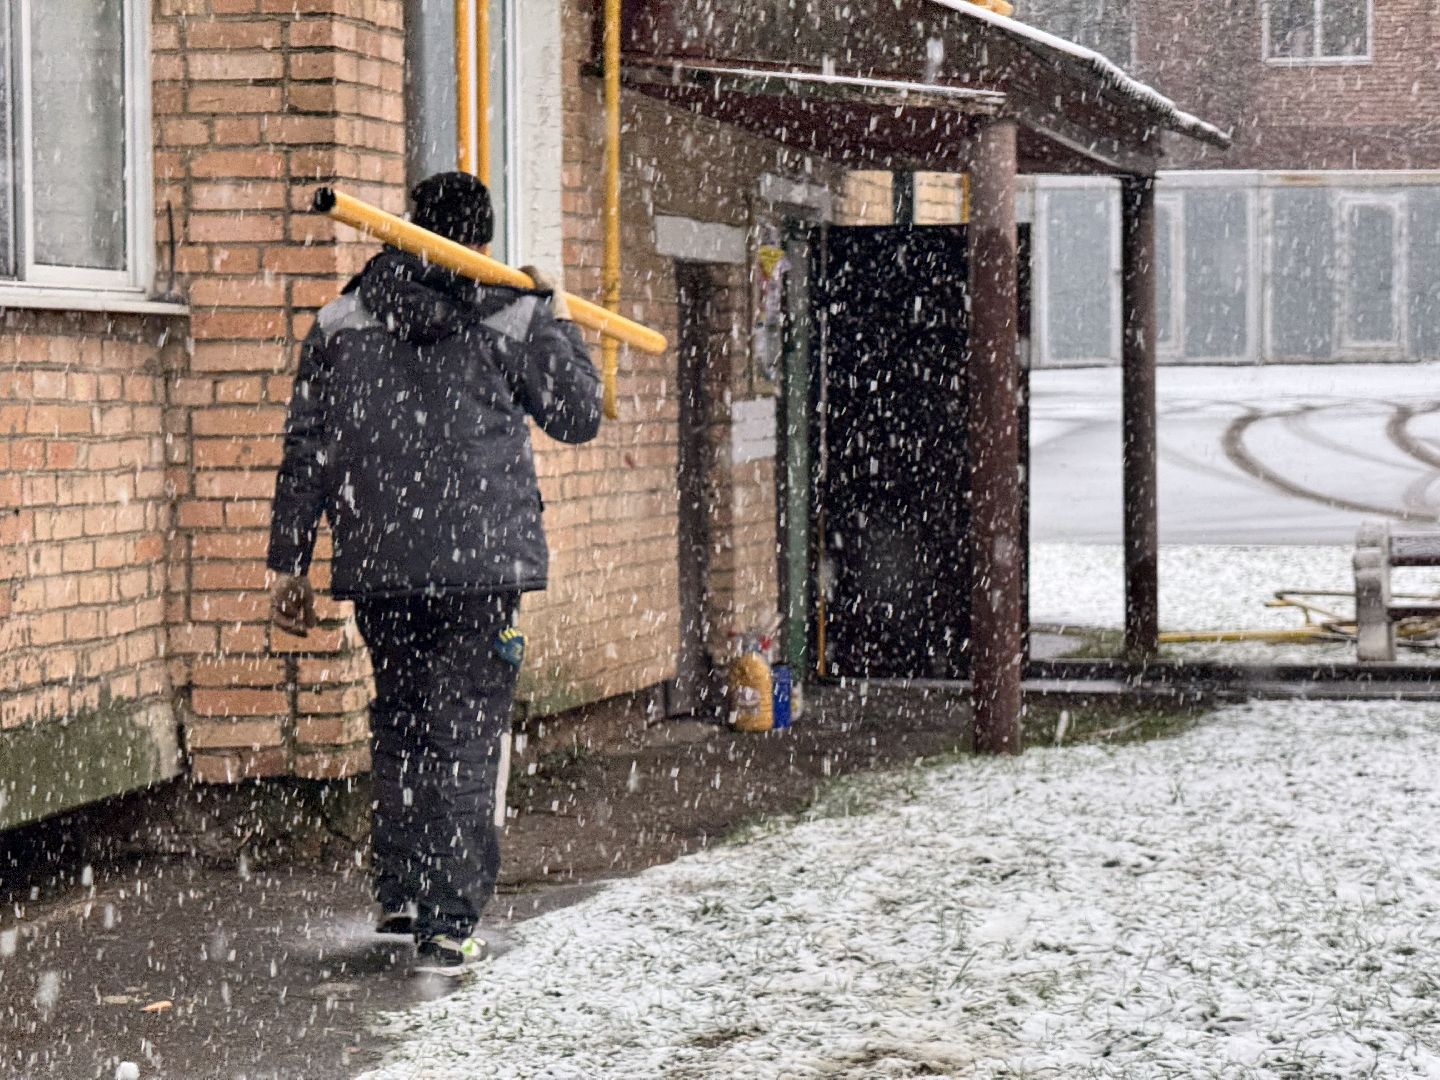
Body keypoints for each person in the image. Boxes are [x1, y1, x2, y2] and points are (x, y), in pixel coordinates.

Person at [266, 171, 601, 973]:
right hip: (481, 567)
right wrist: (552, 312)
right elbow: (579, 415)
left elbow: (307, 444)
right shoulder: (514, 311)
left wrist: (288, 562)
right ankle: (447, 923)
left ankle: (405, 890)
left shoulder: (343, 316)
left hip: (382, 562)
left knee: (406, 720)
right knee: (464, 735)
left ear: (409, 227)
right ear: (481, 241)